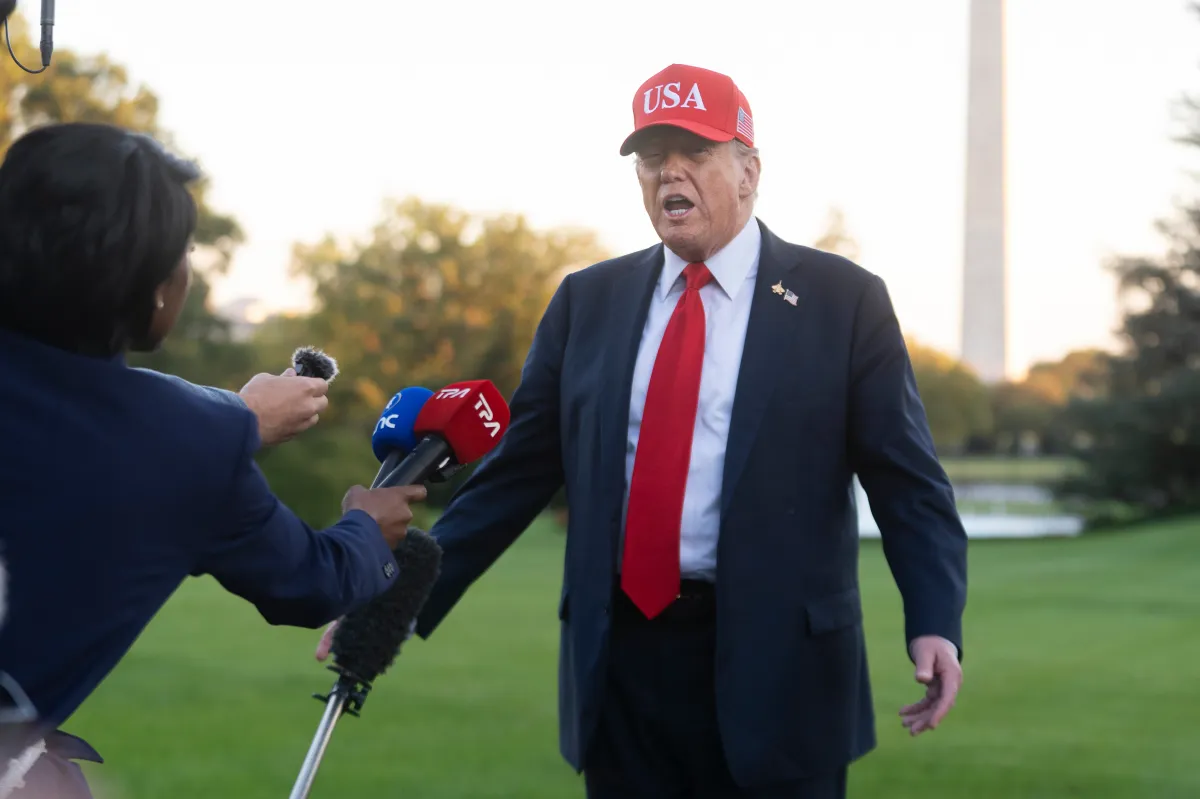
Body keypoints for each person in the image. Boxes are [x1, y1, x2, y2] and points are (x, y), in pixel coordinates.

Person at [319, 63, 968, 798]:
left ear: (749, 172)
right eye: (652, 157)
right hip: (620, 675)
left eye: (695, 152)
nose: (670, 173)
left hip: (784, 677)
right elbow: (513, 477)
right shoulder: (585, 302)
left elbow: (907, 485)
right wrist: (396, 598)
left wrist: (935, 620)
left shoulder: (842, 301)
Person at [0, 122, 427, 799]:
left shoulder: (188, 439)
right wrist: (369, 526)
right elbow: (312, 581)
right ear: (152, 288)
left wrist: (236, 419)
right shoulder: (192, 445)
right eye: (185, 250)